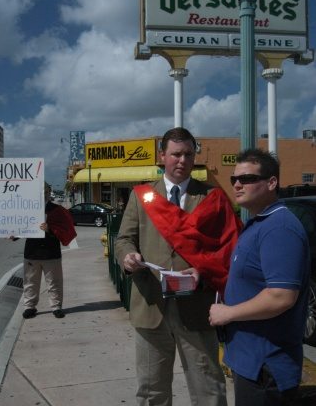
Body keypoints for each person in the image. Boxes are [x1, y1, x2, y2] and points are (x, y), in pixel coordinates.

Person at [115, 127, 241, 406]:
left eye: (188, 154)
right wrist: (127, 257)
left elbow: (227, 250)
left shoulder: (212, 197)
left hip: (196, 306)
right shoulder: (142, 196)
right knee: (151, 390)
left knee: (208, 388)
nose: (182, 160)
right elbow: (124, 239)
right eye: (175, 154)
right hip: (150, 306)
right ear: (162, 156)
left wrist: (203, 271)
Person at [209, 149, 310, 406]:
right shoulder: (259, 223)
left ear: (272, 182)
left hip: (266, 367)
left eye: (248, 178)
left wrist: (228, 313)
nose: (238, 184)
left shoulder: (280, 228)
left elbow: (281, 296)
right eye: (234, 179)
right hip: (250, 362)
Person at [13, 182, 76, 319]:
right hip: (32, 252)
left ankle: (56, 306)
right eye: (40, 191)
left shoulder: (57, 210)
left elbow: (65, 230)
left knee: (54, 282)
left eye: (45, 191)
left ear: (49, 193)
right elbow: (21, 226)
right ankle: (30, 307)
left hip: (51, 252)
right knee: (30, 282)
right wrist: (14, 235)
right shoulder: (26, 208)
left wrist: (49, 229)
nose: (43, 194)